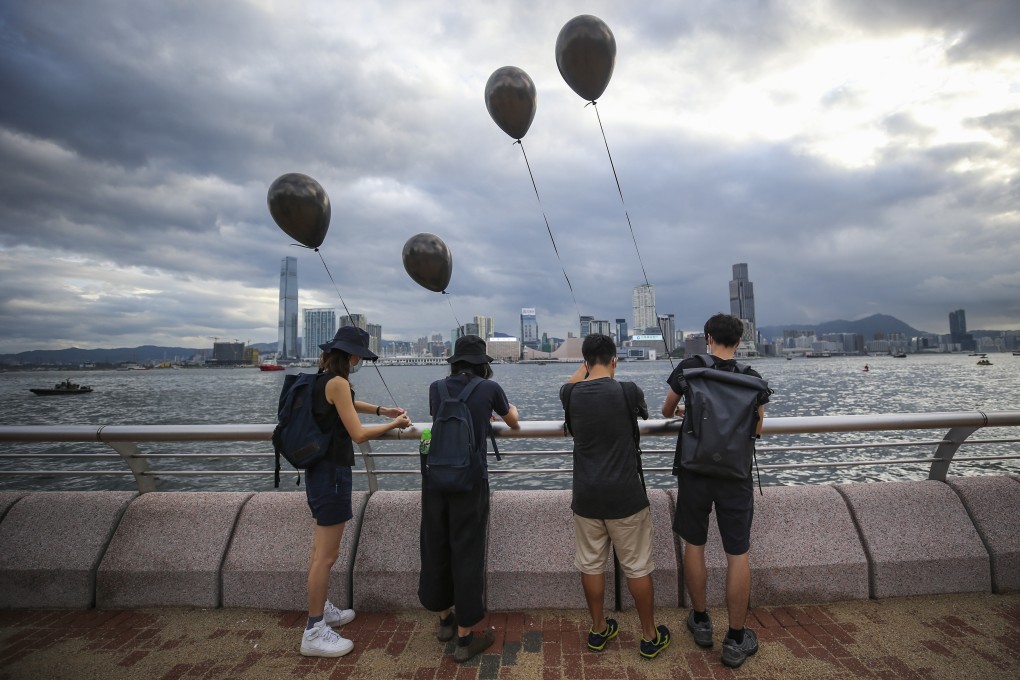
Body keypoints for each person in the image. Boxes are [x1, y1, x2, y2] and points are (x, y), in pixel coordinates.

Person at [661, 314, 770, 669]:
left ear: (708, 338)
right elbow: (759, 426)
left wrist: (683, 410)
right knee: (737, 553)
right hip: (735, 474)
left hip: (695, 470)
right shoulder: (752, 379)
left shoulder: (690, 367)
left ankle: (701, 620)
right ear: (739, 341)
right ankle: (736, 639)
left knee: (695, 544)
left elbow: (665, 409)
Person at [300, 326, 412, 658]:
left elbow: (346, 403)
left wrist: (381, 410)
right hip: (332, 474)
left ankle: (324, 611)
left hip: (318, 471)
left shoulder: (321, 379)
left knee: (321, 551)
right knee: (326, 556)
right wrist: (395, 424)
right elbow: (358, 435)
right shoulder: (336, 382)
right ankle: (314, 630)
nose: (360, 361)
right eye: (359, 356)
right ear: (350, 356)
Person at [561, 333, 671, 659]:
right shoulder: (627, 390)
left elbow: (572, 384)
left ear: (584, 362)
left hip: (587, 496)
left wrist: (586, 369)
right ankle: (650, 636)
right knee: (637, 567)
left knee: (591, 565)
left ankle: (598, 629)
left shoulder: (570, 394)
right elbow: (645, 415)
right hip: (625, 495)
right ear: (615, 361)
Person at [419, 335, 520, 663]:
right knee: (466, 552)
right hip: (470, 483)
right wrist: (496, 412)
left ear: (454, 361)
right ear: (482, 363)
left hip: (435, 480)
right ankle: (465, 639)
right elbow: (513, 421)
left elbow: (440, 420)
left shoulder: (437, 388)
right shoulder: (489, 390)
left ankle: (445, 621)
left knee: (435, 546)